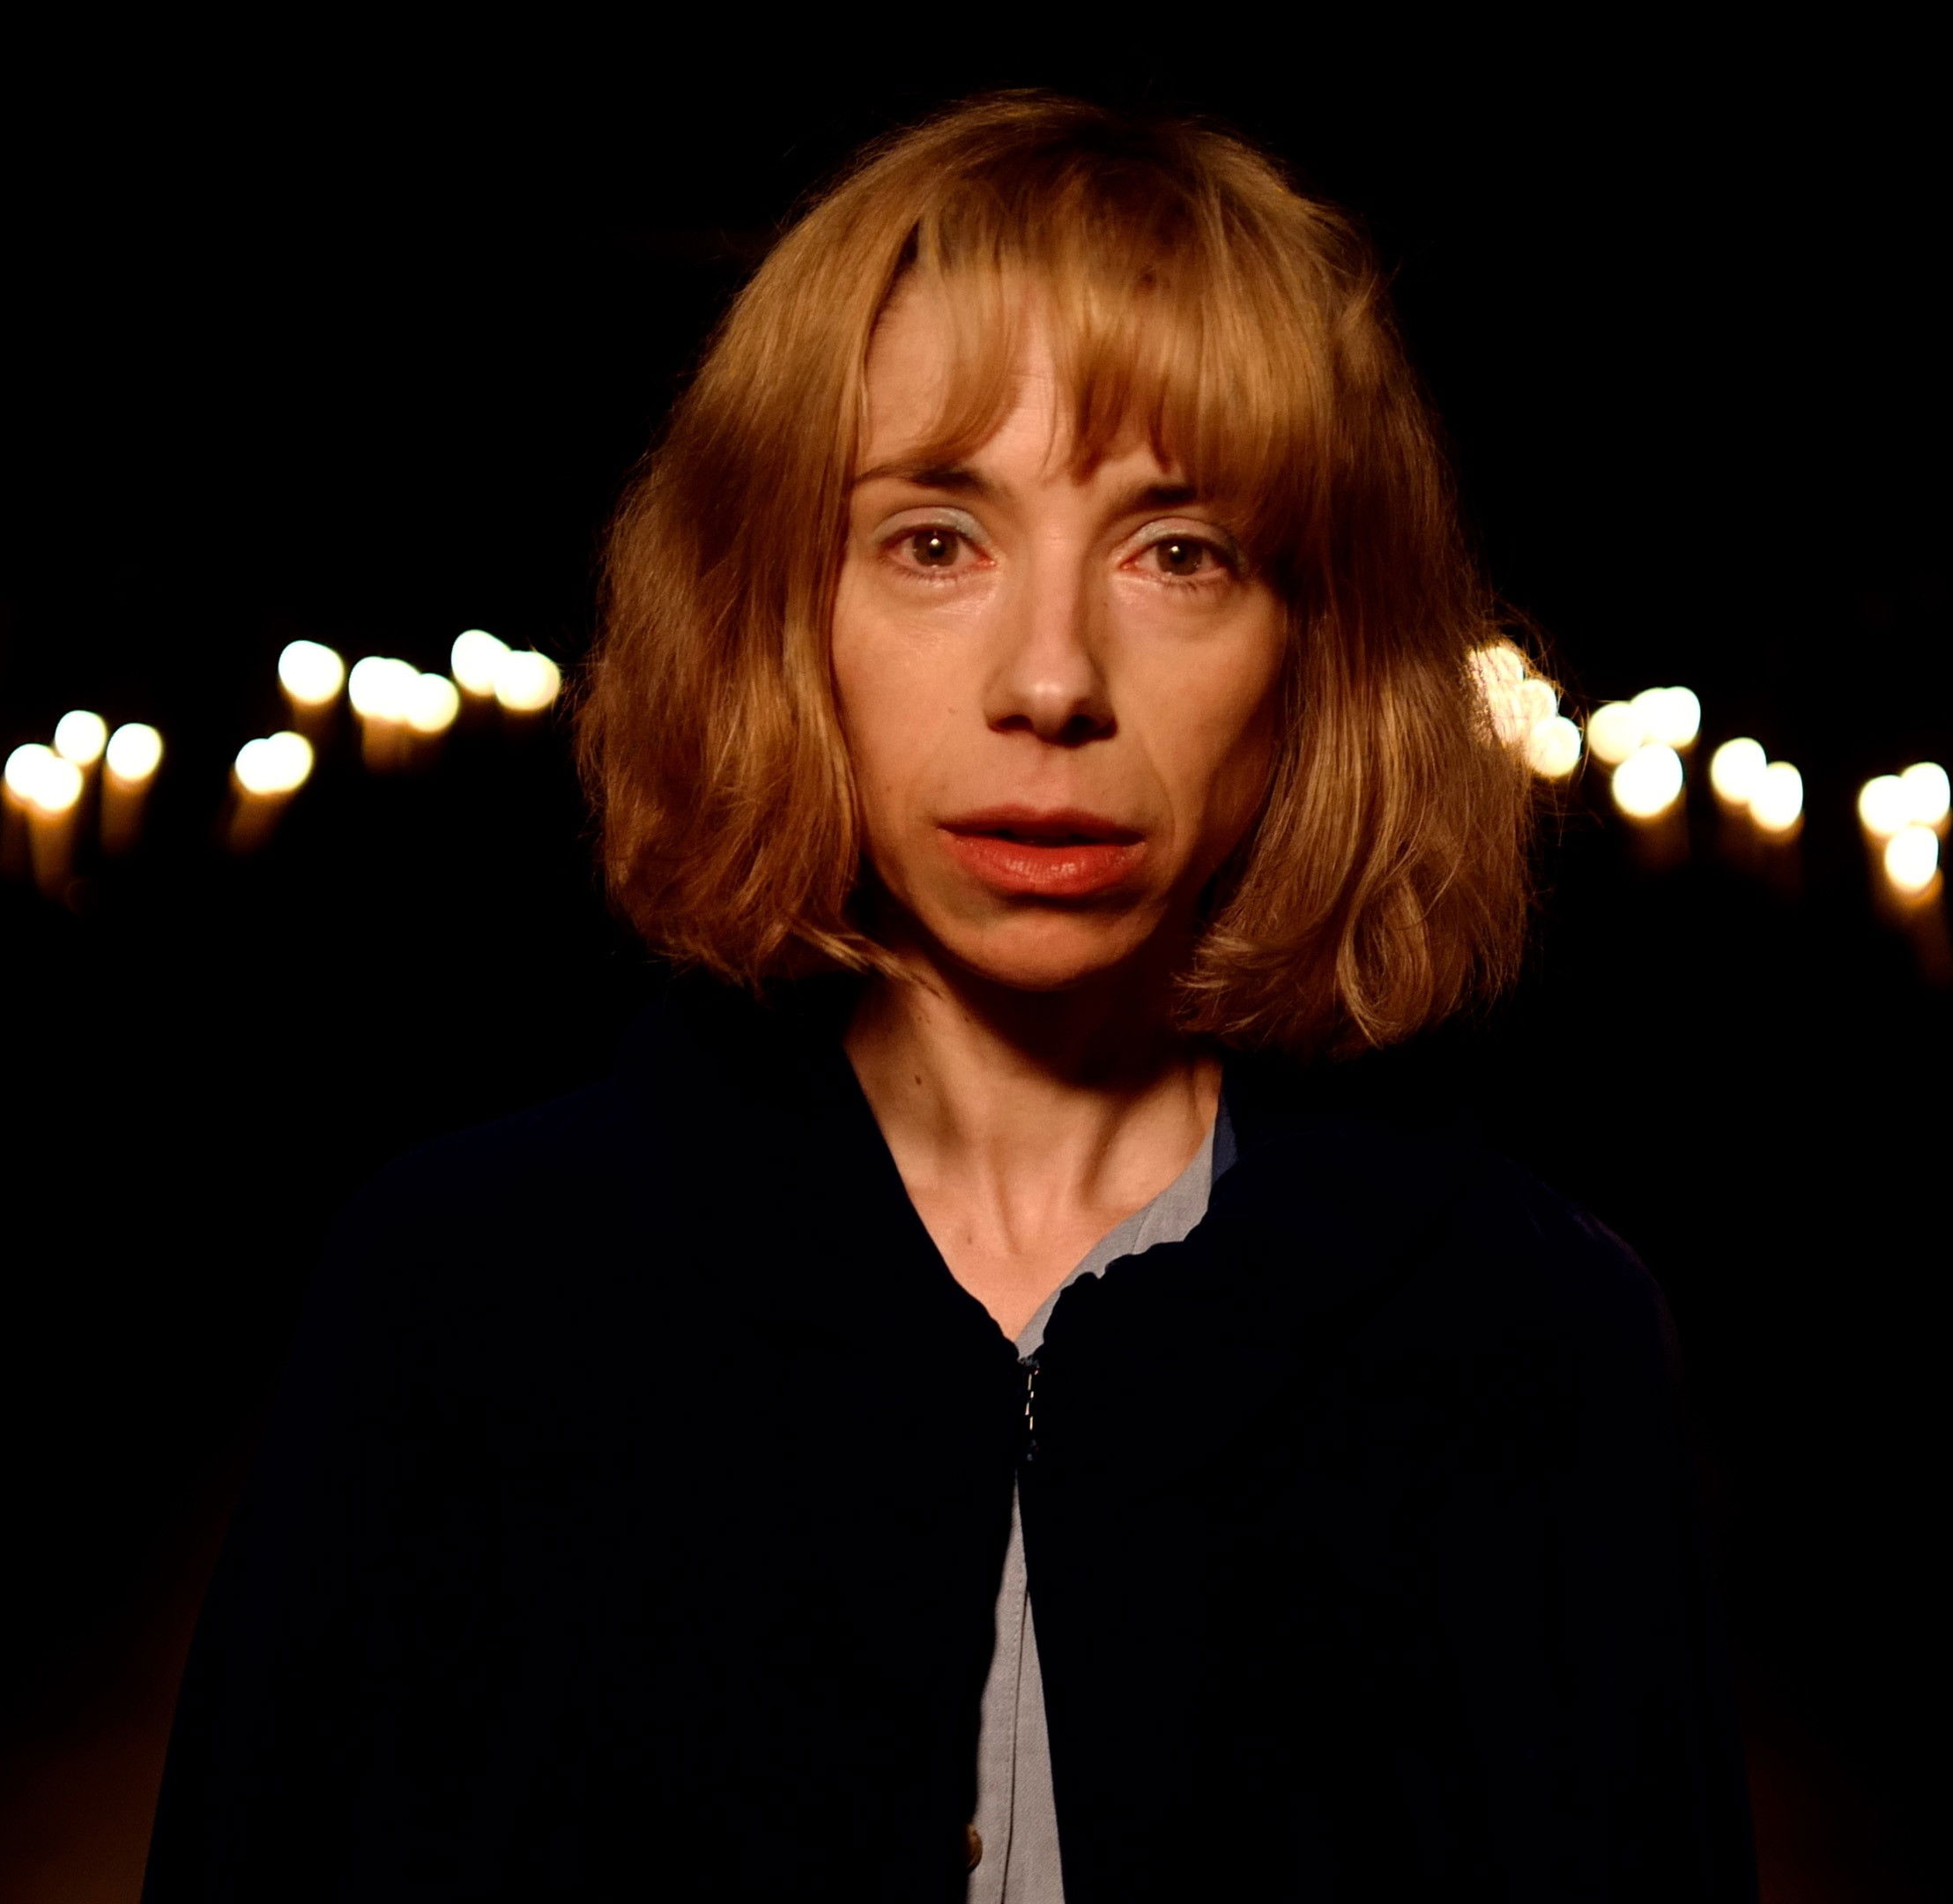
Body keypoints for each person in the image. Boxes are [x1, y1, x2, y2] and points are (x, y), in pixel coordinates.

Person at [143, 93, 1752, 1900]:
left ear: (1317, 650)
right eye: (935, 541)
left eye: (1180, 552)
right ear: (783, 611)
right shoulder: (462, 1299)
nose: (1050, 682)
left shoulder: (1533, 1339)